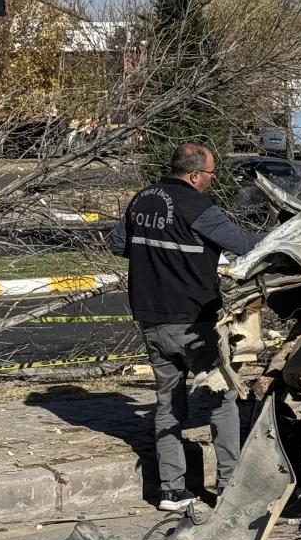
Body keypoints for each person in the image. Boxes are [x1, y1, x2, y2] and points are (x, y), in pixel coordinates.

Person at [108, 142, 265, 514]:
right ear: (195, 175)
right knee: (222, 400)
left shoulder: (141, 199)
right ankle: (228, 486)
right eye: (211, 174)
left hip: (150, 320)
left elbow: (117, 244)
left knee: (168, 402)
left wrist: (159, 256)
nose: (211, 181)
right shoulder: (198, 207)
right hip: (195, 323)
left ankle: (172, 491)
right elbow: (243, 245)